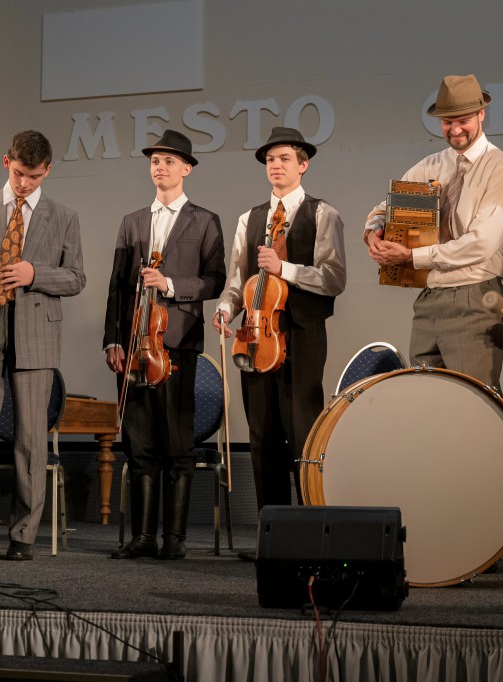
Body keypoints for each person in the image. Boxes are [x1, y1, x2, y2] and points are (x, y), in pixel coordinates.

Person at [0, 130, 85, 561]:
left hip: (36, 331)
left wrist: (33, 273)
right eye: (20, 173)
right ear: (8, 162)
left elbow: (76, 278)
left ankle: (23, 535)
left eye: (35, 176)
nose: (25, 184)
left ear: (48, 171)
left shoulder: (64, 217)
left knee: (29, 437)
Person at [213, 127, 347, 559]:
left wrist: (285, 269)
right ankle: (273, 536)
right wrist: (225, 309)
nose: (276, 165)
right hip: (256, 335)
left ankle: (310, 537)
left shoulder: (324, 213)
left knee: (302, 433)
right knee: (263, 437)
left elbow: (333, 278)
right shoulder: (249, 219)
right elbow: (237, 281)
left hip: (301, 334)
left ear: (303, 164)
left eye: (285, 158)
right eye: (270, 159)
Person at [104, 130, 227, 560]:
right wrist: (113, 339)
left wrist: (170, 284)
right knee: (139, 443)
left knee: (176, 442)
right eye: (155, 161)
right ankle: (143, 537)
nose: (160, 167)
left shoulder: (205, 220)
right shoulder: (133, 221)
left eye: (169, 161)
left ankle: (174, 539)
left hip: (177, 343)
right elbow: (117, 287)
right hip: (136, 345)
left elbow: (216, 281)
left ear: (186, 169)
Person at [363, 74, 503, 392]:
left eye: (463, 120)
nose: (455, 129)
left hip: (474, 297)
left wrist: (412, 256)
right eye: (448, 122)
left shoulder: (499, 168)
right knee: (427, 400)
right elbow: (386, 208)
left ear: (481, 114)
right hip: (428, 298)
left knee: (474, 401)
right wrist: (373, 232)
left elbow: (482, 243)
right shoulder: (430, 166)